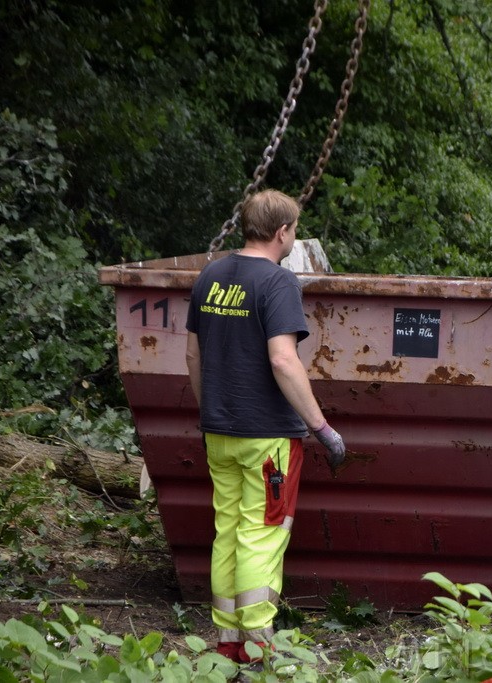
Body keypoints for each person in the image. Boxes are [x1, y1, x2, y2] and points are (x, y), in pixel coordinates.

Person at [185, 189, 345, 663]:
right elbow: (283, 358)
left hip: (219, 432)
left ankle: (228, 643)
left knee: (229, 530)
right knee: (261, 532)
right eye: (294, 229)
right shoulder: (278, 283)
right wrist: (322, 428)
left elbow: (193, 354)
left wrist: (211, 409)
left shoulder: (209, 276)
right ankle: (259, 648)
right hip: (267, 439)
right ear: (283, 232)